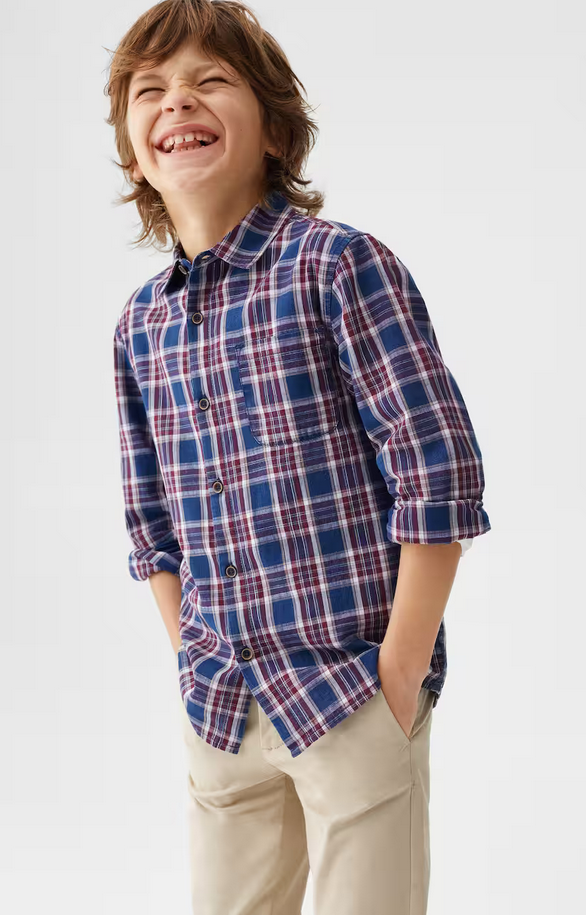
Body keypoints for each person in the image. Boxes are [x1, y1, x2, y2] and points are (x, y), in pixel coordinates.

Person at [108, 2, 491, 913]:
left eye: (210, 82)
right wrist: (191, 658)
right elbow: (150, 522)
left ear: (276, 131)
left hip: (350, 689)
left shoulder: (337, 268)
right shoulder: (139, 326)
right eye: (150, 91)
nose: (177, 102)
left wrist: (399, 673)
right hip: (221, 707)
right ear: (133, 154)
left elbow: (438, 472)